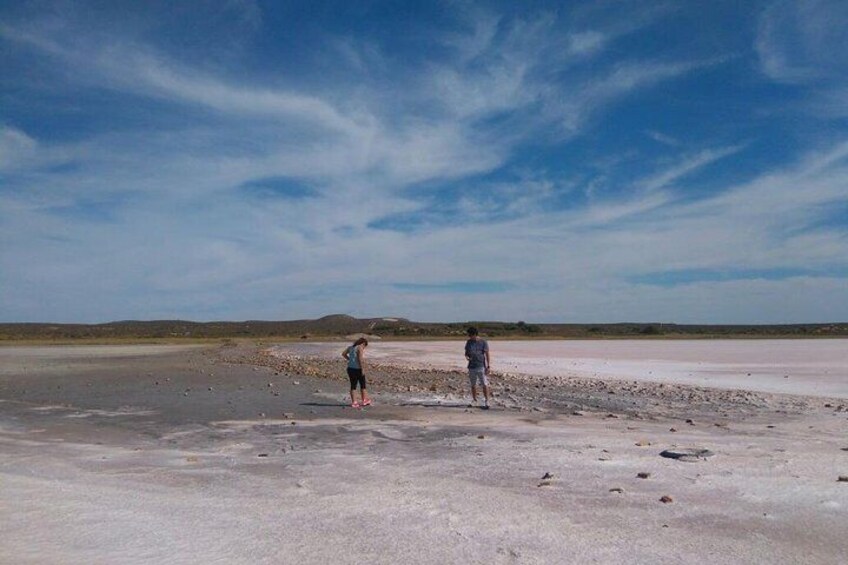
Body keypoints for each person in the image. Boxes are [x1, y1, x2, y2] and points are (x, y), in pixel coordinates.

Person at [464, 326, 491, 409]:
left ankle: (487, 401)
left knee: (484, 384)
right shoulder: (468, 342)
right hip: (471, 366)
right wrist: (467, 357)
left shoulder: (483, 342)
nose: (469, 337)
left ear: (475, 334)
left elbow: (487, 354)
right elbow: (466, 353)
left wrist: (488, 366)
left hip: (481, 366)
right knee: (473, 384)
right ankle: (475, 400)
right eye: (469, 335)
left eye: (470, 335)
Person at [342, 337, 371, 408]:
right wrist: (362, 369)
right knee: (363, 385)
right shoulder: (359, 348)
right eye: (365, 346)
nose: (364, 348)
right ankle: (364, 400)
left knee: (353, 386)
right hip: (358, 369)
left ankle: (354, 402)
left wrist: (350, 359)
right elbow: (360, 359)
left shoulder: (350, 347)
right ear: (363, 343)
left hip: (350, 369)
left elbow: (343, 354)